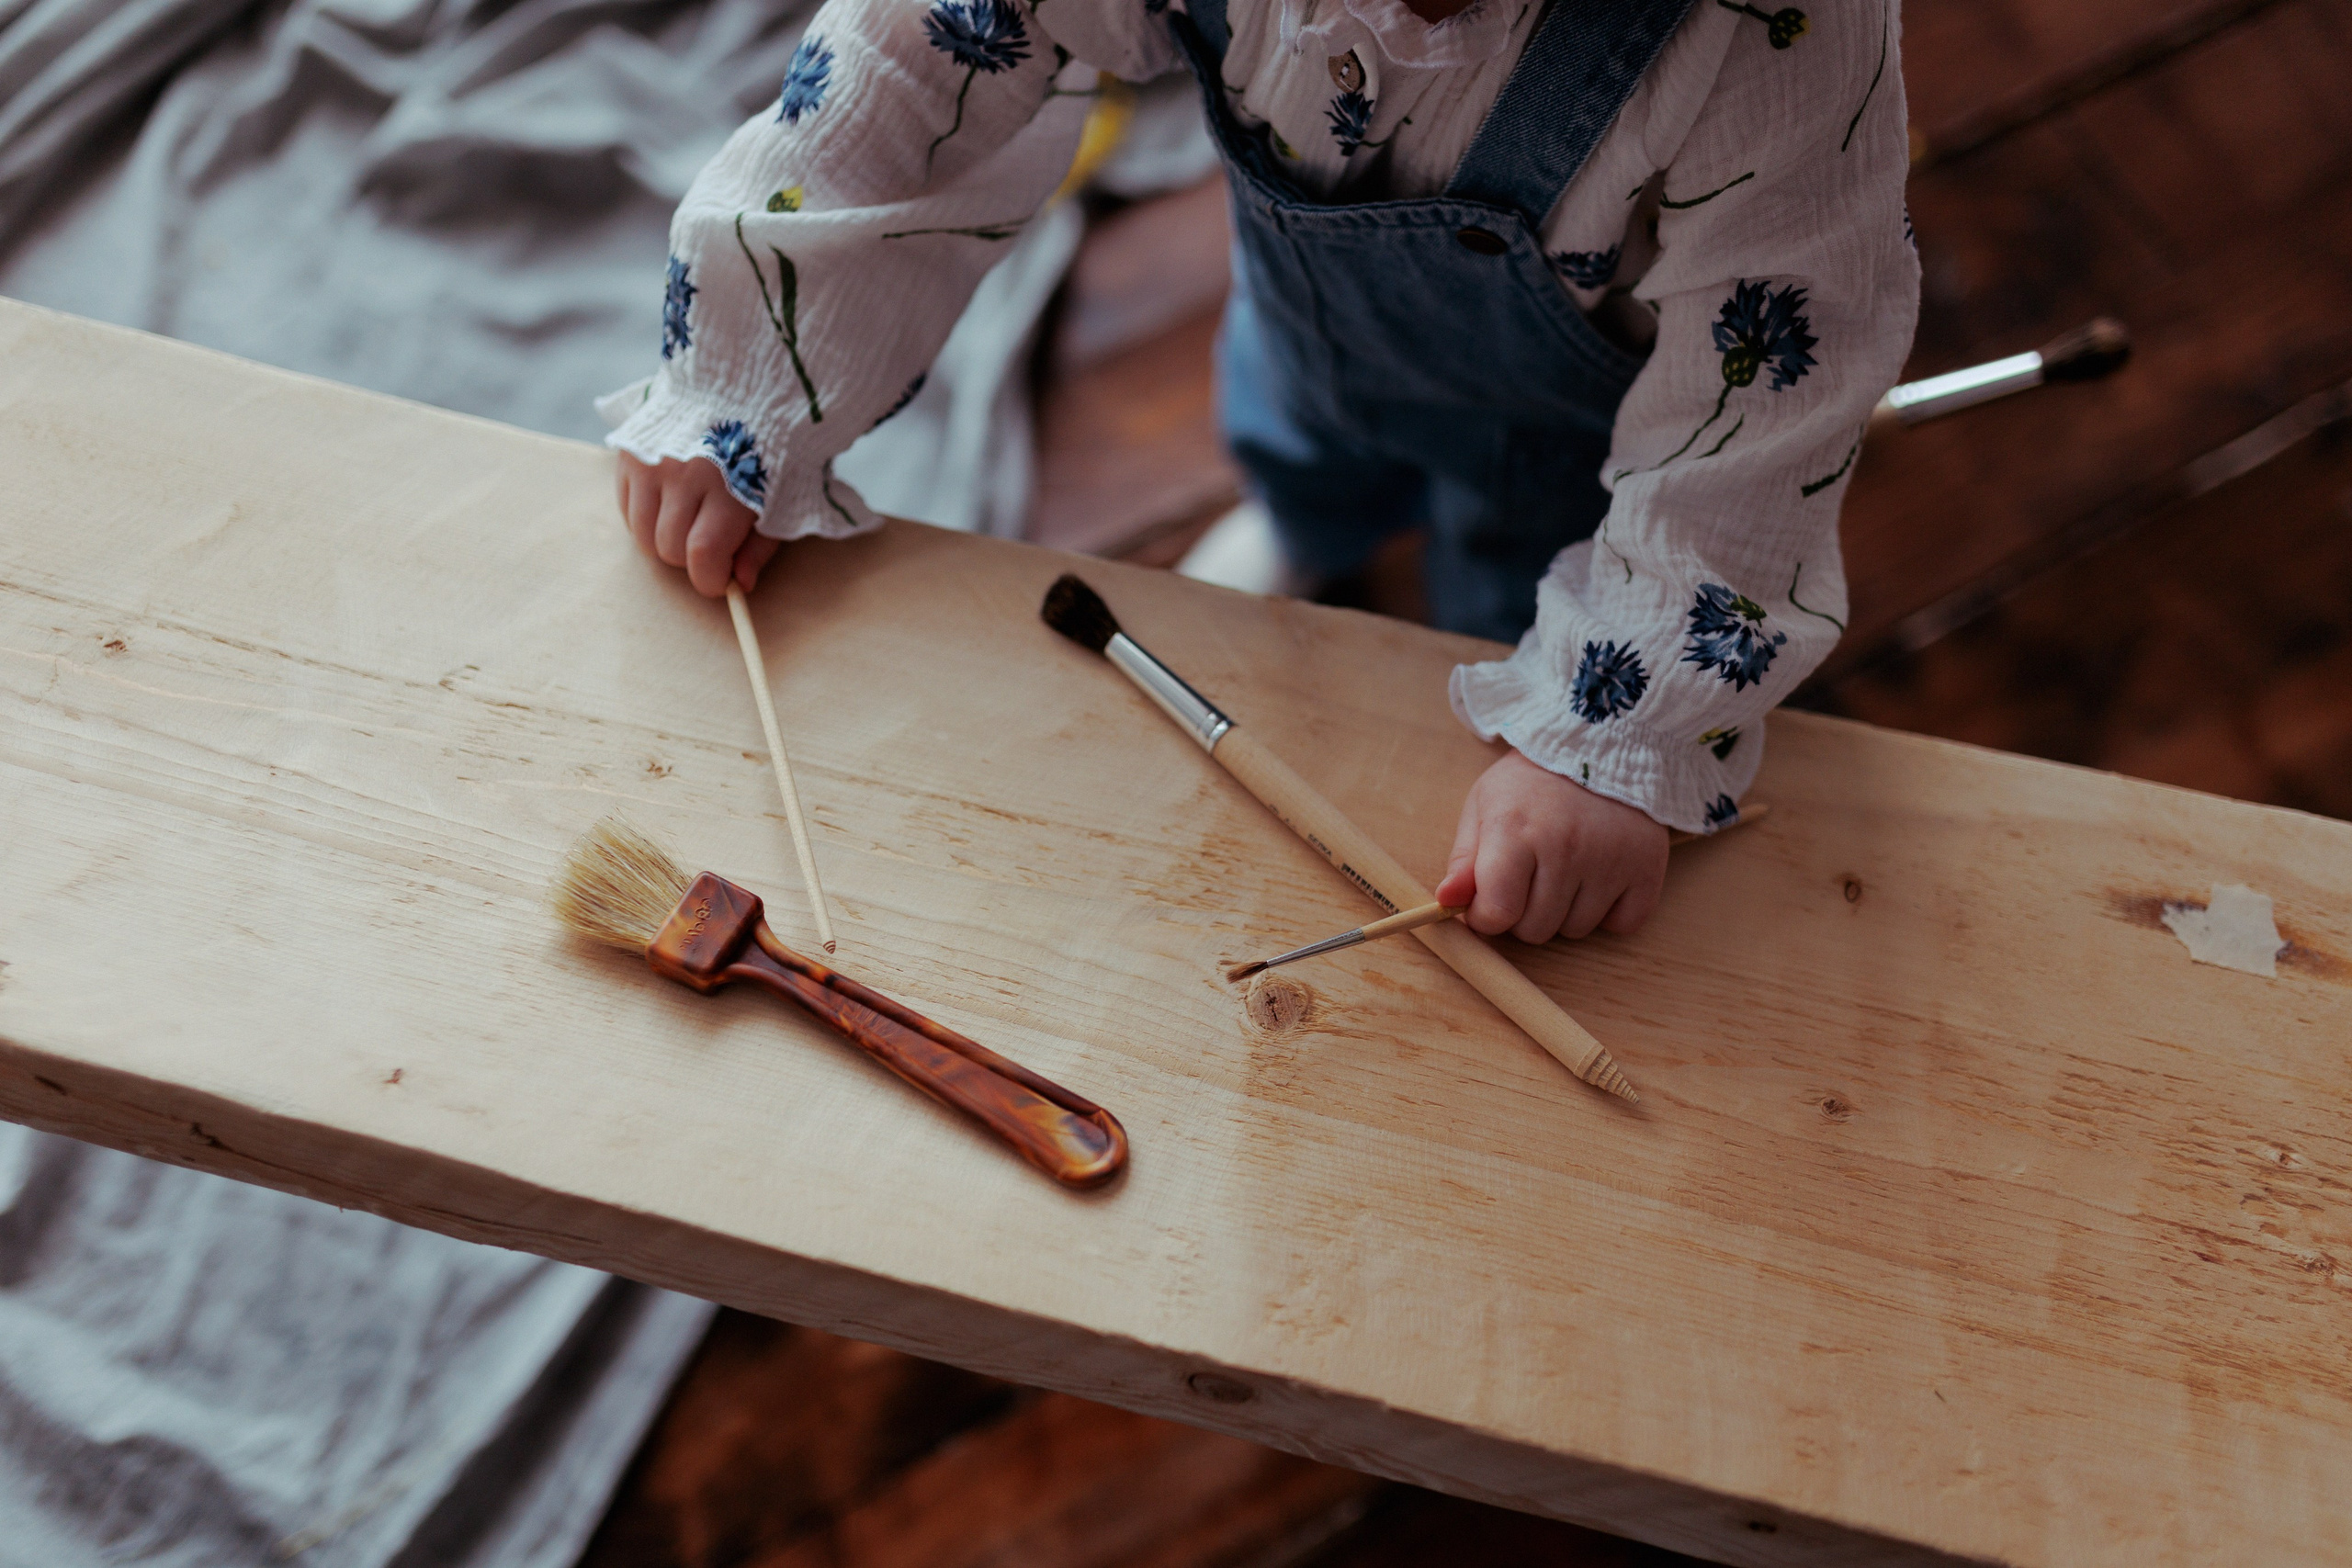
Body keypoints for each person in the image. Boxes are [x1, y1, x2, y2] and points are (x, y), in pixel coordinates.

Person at [603, 0, 1917, 946]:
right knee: (1298, 453)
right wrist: (747, 377)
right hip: (1312, 340)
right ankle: (1306, 522)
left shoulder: (1776, 39)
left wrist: (1614, 738)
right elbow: (919, 55)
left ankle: (1516, 666)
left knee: (1492, 613)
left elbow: (1767, 420)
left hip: (1586, 457)